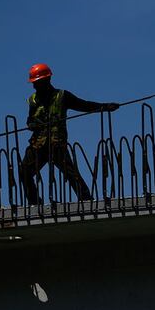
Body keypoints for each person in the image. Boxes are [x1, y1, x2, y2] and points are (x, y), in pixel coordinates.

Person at [20, 63, 119, 205]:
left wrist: (104, 107)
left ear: (46, 81)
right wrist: (32, 125)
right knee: (24, 170)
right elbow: (29, 121)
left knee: (71, 173)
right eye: (33, 83)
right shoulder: (33, 100)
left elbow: (84, 105)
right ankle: (35, 202)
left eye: (37, 83)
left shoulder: (62, 96)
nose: (34, 86)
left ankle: (86, 200)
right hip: (38, 144)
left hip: (56, 143)